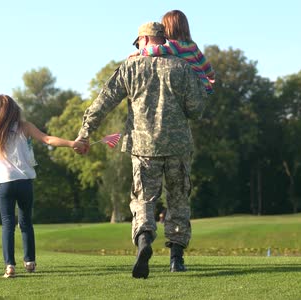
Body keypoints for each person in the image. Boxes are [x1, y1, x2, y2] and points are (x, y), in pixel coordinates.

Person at [77, 22, 206, 278]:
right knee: (178, 200)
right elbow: (196, 110)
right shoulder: (183, 68)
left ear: (145, 40)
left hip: (143, 147)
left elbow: (103, 102)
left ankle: (145, 239)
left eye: (138, 43)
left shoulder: (130, 68)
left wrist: (85, 133)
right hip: (177, 147)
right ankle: (176, 259)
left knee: (143, 199)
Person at [0, 94, 86, 278]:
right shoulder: (25, 127)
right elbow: (48, 139)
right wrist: (72, 143)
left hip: (5, 183)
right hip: (25, 181)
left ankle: (9, 266)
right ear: (14, 110)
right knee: (26, 222)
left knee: (7, 224)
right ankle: (30, 261)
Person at [129, 9, 216, 94]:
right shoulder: (192, 45)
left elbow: (155, 50)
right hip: (203, 85)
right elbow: (205, 64)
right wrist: (211, 76)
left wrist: (139, 52)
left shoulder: (173, 45)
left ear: (167, 29)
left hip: (192, 86)